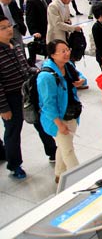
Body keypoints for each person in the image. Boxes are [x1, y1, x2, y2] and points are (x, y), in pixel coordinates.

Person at [0, 16, 56, 179]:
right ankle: (14, 164)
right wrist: (3, 108)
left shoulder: (16, 45)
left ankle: (52, 151)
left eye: (9, 26)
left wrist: (38, 71)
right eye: (3, 28)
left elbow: (25, 67)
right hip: (11, 98)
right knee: (13, 131)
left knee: (40, 122)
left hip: (28, 93)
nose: (9, 29)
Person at [38, 39, 86, 182]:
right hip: (58, 119)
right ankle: (80, 180)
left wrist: (81, 81)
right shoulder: (46, 76)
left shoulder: (68, 65)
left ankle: (59, 173)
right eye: (62, 51)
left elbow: (80, 75)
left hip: (72, 113)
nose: (67, 53)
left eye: (67, 49)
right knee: (68, 150)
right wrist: (59, 124)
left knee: (64, 145)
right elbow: (48, 105)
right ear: (53, 54)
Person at [25, 0, 49, 65]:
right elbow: (29, 18)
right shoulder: (32, 1)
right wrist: (34, 31)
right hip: (40, 31)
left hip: (49, 29)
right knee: (41, 52)